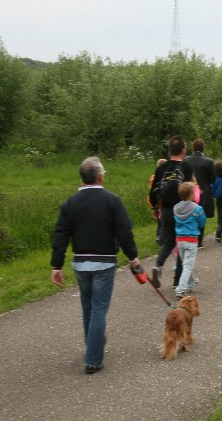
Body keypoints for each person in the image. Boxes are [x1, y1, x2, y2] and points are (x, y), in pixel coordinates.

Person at [51, 156, 139, 374]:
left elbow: (60, 234)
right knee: (99, 309)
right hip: (104, 263)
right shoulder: (112, 201)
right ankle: (93, 360)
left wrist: (57, 266)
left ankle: (92, 345)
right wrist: (133, 258)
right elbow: (124, 231)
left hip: (81, 263)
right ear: (100, 177)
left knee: (88, 307)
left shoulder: (70, 203)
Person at [148, 136, 194, 289]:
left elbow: (153, 191)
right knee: (182, 242)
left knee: (169, 241)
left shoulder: (161, 168)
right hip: (183, 209)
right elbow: (189, 189)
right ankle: (177, 281)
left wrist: (155, 207)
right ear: (183, 149)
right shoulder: (186, 167)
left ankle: (158, 264)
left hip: (166, 209)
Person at [173, 182, 207, 298]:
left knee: (186, 264)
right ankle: (181, 289)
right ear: (191, 194)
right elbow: (202, 222)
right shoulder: (197, 209)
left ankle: (191, 284)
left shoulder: (176, 208)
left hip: (180, 240)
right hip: (191, 240)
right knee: (188, 265)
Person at [184, 139, 216, 248]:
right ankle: (199, 240)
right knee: (201, 215)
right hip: (203, 191)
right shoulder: (208, 161)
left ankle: (189, 237)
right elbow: (213, 178)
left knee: (189, 214)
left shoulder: (186, 160)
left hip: (189, 190)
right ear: (203, 148)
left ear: (193, 147)